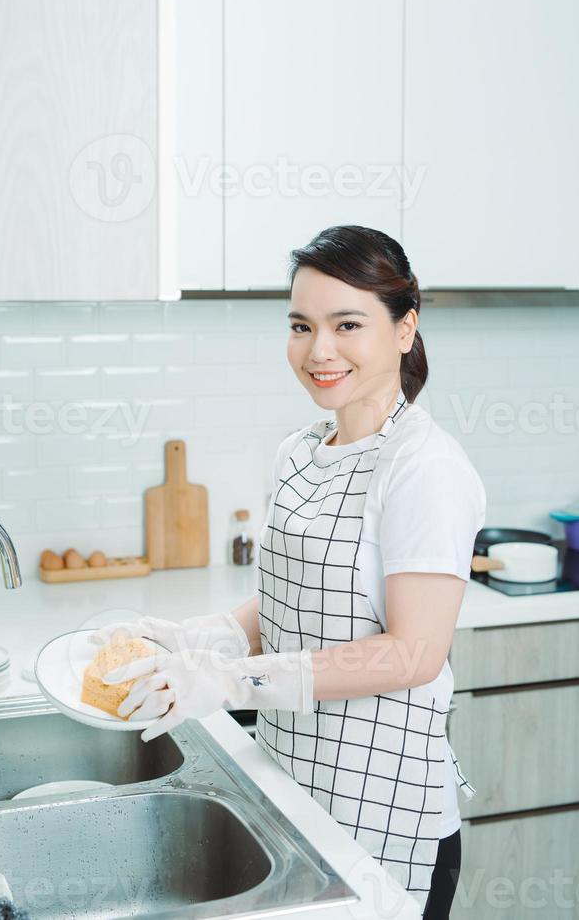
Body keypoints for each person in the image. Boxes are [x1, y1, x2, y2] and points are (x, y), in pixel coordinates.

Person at [95, 225, 486, 919]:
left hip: (383, 816)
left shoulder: (426, 469)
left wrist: (231, 680)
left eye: (348, 324)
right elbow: (288, 599)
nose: (318, 350)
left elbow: (414, 654)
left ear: (405, 329)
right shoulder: (300, 451)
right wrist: (199, 640)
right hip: (294, 793)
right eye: (301, 325)